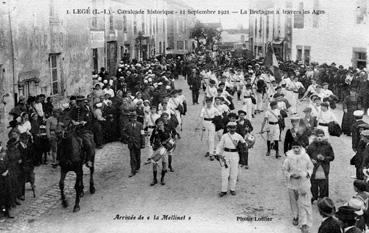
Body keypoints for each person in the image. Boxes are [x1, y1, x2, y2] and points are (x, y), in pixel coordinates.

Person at [282, 141, 313, 233]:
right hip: (292, 183)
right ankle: (295, 216)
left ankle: (304, 223)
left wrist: (307, 174)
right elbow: (284, 169)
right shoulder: (288, 158)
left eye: (297, 147)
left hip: (303, 182)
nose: (296, 149)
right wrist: (290, 175)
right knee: (293, 200)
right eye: (294, 147)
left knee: (304, 201)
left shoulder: (305, 156)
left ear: (300, 147)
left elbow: (310, 167)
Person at [215, 121, 246, 197]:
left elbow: (245, 143)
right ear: (228, 128)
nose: (232, 129)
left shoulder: (238, 136)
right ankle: (223, 190)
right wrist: (217, 153)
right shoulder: (225, 136)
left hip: (235, 155)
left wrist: (247, 144)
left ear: (236, 128)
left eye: (234, 127)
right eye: (230, 127)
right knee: (224, 173)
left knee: (234, 172)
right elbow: (220, 145)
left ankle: (232, 189)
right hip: (225, 155)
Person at [307, 129, 335, 203]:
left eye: (321, 136)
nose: (319, 138)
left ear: (324, 137)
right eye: (318, 136)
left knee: (323, 184)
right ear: (315, 137)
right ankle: (314, 196)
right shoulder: (311, 146)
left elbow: (332, 157)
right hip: (314, 167)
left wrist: (324, 158)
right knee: (313, 184)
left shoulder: (327, 146)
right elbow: (306, 156)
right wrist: (311, 160)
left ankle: (323, 199)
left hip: (323, 167)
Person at [69, 96, 95, 168]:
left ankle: (88, 160)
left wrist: (84, 122)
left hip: (84, 130)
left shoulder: (86, 109)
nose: (80, 103)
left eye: (82, 101)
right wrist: (73, 121)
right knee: (65, 140)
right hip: (74, 129)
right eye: (79, 101)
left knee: (88, 144)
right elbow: (69, 117)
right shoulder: (74, 109)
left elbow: (89, 119)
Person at [121, 111, 145, 177]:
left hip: (138, 143)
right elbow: (123, 132)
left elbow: (142, 134)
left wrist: (143, 143)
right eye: (132, 117)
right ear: (130, 118)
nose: (134, 119)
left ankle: (138, 167)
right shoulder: (127, 125)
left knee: (138, 156)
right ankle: (133, 170)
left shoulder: (140, 125)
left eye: (135, 117)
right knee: (132, 157)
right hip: (131, 143)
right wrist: (127, 137)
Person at [149, 118, 171, 186]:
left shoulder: (166, 130)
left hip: (164, 149)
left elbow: (169, 138)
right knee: (154, 164)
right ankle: (155, 179)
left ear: (163, 123)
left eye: (161, 123)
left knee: (164, 163)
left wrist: (163, 131)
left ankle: (162, 178)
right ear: (157, 124)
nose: (160, 124)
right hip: (156, 148)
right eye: (158, 123)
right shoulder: (155, 130)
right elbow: (151, 138)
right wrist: (152, 144)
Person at [0, 146, 13, 218]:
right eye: (2, 152)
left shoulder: (5, 159)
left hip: (6, 180)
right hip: (1, 181)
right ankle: (3, 211)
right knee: (2, 197)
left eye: (4, 152)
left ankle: (7, 211)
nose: (4, 154)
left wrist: (7, 171)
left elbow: (9, 166)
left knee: (8, 195)